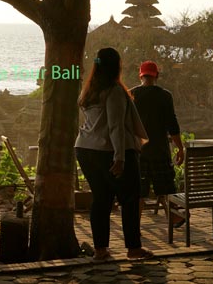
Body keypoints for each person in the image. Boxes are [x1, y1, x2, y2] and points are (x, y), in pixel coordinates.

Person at [76, 48, 153, 262]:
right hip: (109, 150)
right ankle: (133, 248)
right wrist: (120, 158)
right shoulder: (114, 91)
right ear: (117, 66)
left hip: (84, 149)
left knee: (101, 199)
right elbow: (115, 127)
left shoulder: (88, 91)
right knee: (129, 198)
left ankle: (101, 250)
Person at [130, 61, 185, 226]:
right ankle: (174, 216)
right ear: (157, 76)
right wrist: (180, 148)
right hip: (160, 150)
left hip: (138, 151)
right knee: (167, 187)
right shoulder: (164, 96)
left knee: (138, 191)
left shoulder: (131, 95)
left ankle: (135, 226)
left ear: (140, 75)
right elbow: (172, 125)